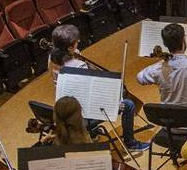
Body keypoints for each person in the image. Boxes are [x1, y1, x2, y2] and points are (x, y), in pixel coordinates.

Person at [47, 24, 150, 152]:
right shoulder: (79, 66)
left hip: (65, 106)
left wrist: (74, 54)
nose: (78, 41)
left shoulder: (51, 59)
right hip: (81, 112)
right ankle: (131, 143)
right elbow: (90, 92)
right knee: (128, 105)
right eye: (75, 42)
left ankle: (93, 132)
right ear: (69, 47)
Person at [135, 21, 187, 115]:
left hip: (169, 124)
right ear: (183, 40)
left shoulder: (157, 69)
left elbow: (140, 77)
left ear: (165, 44)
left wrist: (159, 62)